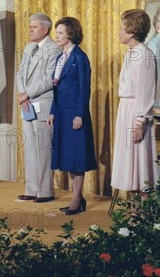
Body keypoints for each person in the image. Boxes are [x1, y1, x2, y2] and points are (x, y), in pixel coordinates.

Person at [47, 17, 96, 215]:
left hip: (75, 113)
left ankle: (77, 197)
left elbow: (85, 89)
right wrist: (52, 111)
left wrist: (79, 115)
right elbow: (56, 89)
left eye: (60, 33)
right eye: (56, 32)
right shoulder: (61, 57)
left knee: (77, 157)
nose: (56, 36)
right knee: (67, 156)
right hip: (61, 112)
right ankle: (77, 196)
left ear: (71, 34)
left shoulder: (80, 57)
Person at [111, 9, 158, 198]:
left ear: (132, 31)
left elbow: (145, 91)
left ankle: (145, 211)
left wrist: (140, 122)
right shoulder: (131, 53)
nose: (119, 32)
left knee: (139, 159)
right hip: (126, 109)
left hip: (136, 112)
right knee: (128, 161)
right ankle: (134, 210)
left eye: (122, 29)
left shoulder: (144, 55)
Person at [16, 13, 60, 203]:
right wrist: (21, 93)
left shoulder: (54, 49)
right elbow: (20, 72)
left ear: (45, 29)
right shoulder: (28, 48)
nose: (30, 30)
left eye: (34, 27)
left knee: (43, 148)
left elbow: (50, 78)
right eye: (29, 26)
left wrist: (28, 93)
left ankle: (46, 191)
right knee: (30, 148)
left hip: (42, 103)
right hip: (26, 103)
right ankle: (32, 189)